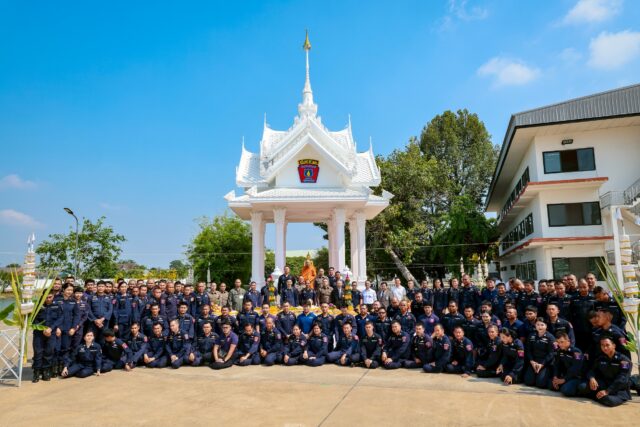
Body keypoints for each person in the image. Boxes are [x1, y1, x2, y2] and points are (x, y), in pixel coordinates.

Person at [578, 336, 632, 407]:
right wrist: (592, 378)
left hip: (618, 389)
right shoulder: (601, 358)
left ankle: (599, 396)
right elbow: (592, 370)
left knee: (609, 400)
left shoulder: (624, 360)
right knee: (582, 387)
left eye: (607, 345)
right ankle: (600, 395)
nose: (605, 348)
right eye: (602, 345)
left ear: (614, 346)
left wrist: (607, 391)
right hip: (604, 384)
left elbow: (622, 379)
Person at [32, 293, 63, 382]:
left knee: (49, 352)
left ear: (53, 297)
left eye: (50, 297)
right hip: (39, 333)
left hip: (51, 333)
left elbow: (60, 318)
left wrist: (51, 328)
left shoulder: (57, 306)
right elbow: (34, 319)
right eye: (46, 297)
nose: (48, 299)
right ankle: (36, 373)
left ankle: (46, 371)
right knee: (38, 353)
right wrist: (43, 329)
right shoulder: (38, 306)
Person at [524, 318, 555, 389]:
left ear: (546, 326)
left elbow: (551, 353)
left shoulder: (550, 337)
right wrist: (532, 361)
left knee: (541, 384)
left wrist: (542, 364)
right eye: (537, 324)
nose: (539, 327)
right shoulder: (531, 335)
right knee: (528, 382)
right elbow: (528, 350)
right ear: (535, 325)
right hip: (534, 361)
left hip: (545, 362)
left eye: (542, 325)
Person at [550, 331, 583, 397]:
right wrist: (555, 377)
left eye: (562, 342)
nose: (560, 344)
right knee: (550, 385)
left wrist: (564, 380)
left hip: (576, 377)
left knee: (566, 390)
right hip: (566, 375)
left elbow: (576, 369)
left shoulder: (577, 352)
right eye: (558, 342)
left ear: (568, 341)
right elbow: (557, 365)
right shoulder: (560, 351)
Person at [58, 283, 80, 376]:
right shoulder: (57, 300)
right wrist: (57, 327)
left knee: (66, 348)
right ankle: (55, 367)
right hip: (57, 329)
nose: (70, 292)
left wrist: (73, 328)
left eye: (71, 290)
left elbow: (77, 316)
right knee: (56, 348)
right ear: (63, 290)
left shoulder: (73, 302)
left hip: (68, 328)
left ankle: (64, 366)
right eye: (68, 290)